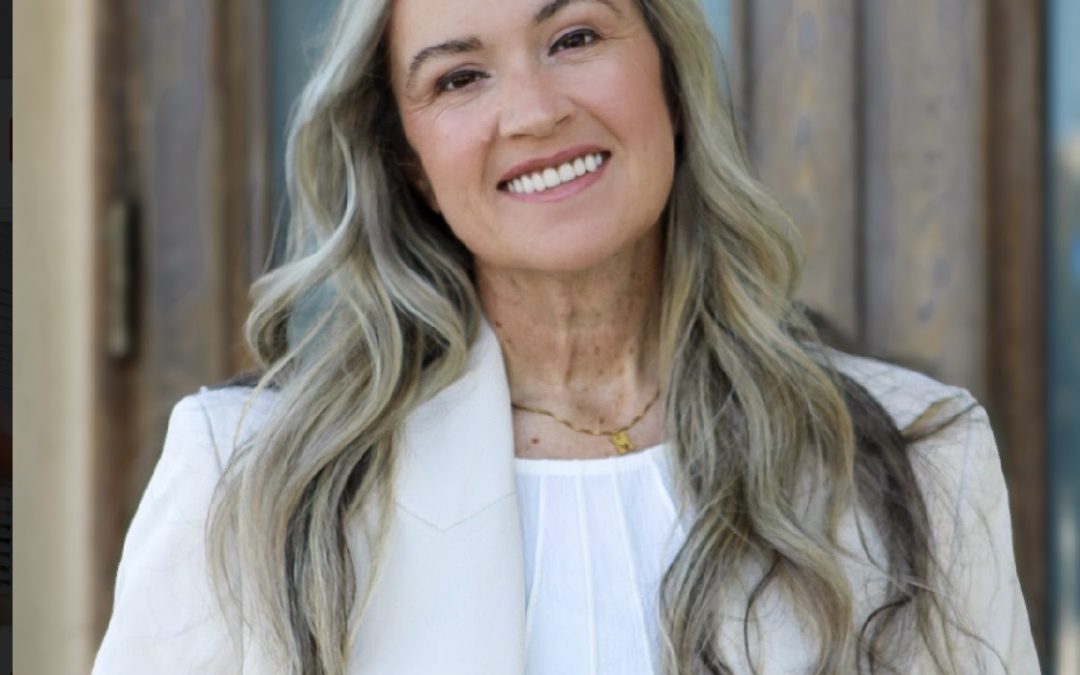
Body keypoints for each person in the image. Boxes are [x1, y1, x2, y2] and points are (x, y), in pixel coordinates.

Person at [92, 0, 1039, 673]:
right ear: (410, 164)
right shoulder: (247, 478)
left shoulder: (924, 455)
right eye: (459, 77)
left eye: (575, 37)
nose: (536, 111)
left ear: (669, 75)